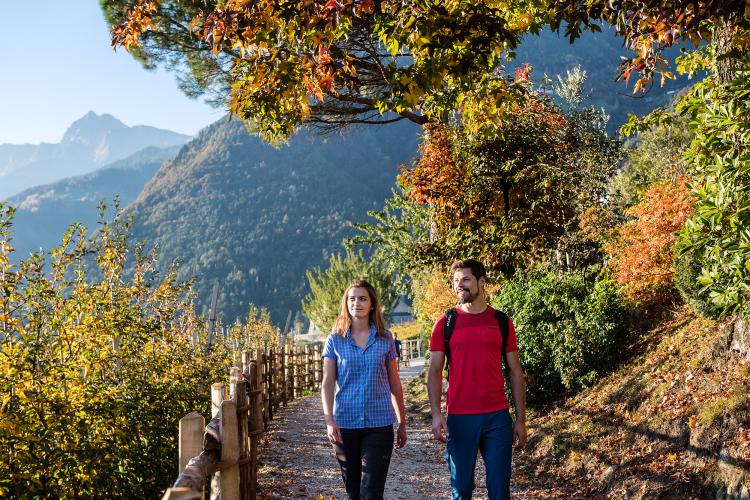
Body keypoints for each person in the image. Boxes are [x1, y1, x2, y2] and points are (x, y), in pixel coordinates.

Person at [427, 259, 527, 500]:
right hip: (460, 418)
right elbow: (434, 371)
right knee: (461, 490)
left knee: (499, 490)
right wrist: (436, 414)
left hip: (497, 417)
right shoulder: (445, 322)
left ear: (481, 282)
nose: (459, 285)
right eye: (455, 281)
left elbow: (515, 371)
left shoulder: (502, 321)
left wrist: (521, 420)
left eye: (465, 279)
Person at [321, 279, 407, 500]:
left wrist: (402, 423)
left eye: (362, 299)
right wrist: (329, 419)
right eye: (352, 299)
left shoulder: (386, 339)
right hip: (345, 425)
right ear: (346, 304)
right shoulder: (335, 340)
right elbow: (328, 383)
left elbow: (395, 383)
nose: (356, 303)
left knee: (371, 492)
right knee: (353, 492)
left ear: (372, 304)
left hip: (379, 424)